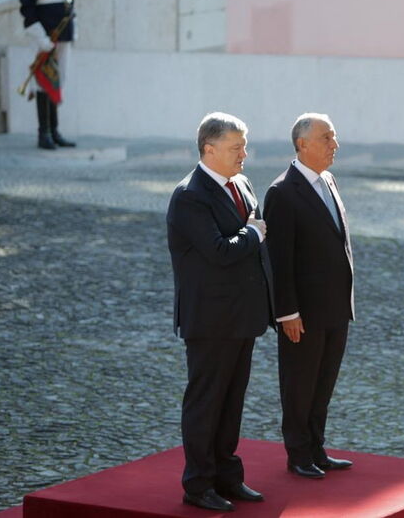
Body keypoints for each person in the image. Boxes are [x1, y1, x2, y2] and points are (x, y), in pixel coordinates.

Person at [166, 112, 274, 512]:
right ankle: (198, 484)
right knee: (206, 403)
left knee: (231, 402)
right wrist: (253, 232)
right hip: (210, 321)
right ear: (209, 149)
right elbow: (220, 251)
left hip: (242, 316)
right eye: (235, 147)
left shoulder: (241, 183)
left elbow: (251, 248)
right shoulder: (190, 195)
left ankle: (228, 476)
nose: (244, 154)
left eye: (244, 146)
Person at [264, 113, 355, 479]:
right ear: (302, 144)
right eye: (327, 138)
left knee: (323, 385)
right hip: (302, 313)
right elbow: (279, 260)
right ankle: (298, 454)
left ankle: (317, 448)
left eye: (334, 137)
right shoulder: (282, 192)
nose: (335, 144)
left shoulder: (328, 180)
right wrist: (287, 312)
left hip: (335, 307)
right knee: (299, 385)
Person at [19, 0, 77, 150]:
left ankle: (55, 130)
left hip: (63, 32)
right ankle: (43, 133)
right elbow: (27, 5)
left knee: (58, 79)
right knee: (43, 81)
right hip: (44, 33)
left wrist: (73, 27)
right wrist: (40, 36)